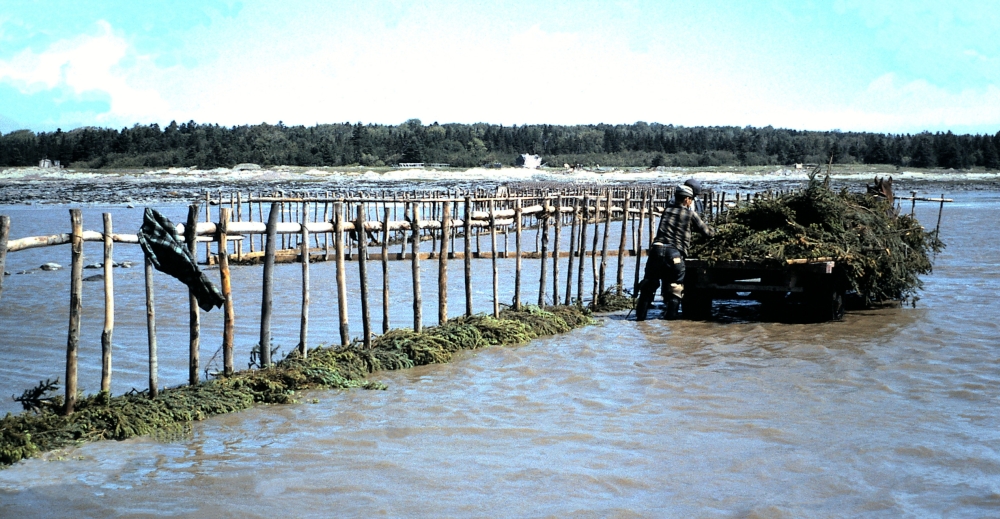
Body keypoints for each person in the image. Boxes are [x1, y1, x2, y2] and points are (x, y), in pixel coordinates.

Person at [635, 184, 714, 320]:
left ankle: (640, 321)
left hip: (656, 251)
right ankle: (670, 322)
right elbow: (707, 233)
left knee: (648, 286)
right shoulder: (690, 214)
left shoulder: (667, 211)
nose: (690, 202)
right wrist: (714, 231)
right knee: (675, 289)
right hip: (674, 254)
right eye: (690, 200)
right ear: (686, 200)